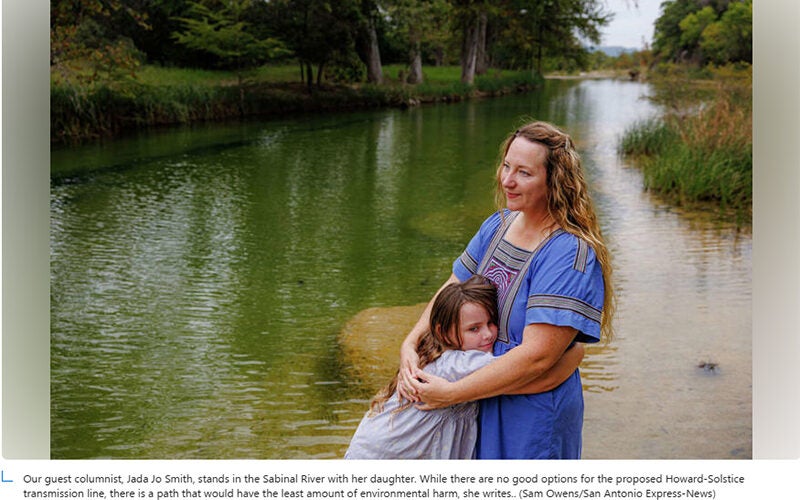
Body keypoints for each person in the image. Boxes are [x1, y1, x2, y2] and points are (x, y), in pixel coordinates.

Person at [400, 120, 615, 459]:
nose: (507, 180)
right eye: (506, 166)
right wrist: (410, 344)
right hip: (478, 400)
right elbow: (453, 287)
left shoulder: (569, 254)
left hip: (530, 415)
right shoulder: (497, 225)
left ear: (554, 181)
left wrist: (453, 393)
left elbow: (538, 358)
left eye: (524, 173)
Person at [344, 275, 583, 459]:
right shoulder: (457, 365)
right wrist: (577, 353)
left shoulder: (431, 349)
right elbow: (530, 371)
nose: (488, 334)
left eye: (491, 323)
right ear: (443, 331)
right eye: (474, 329)